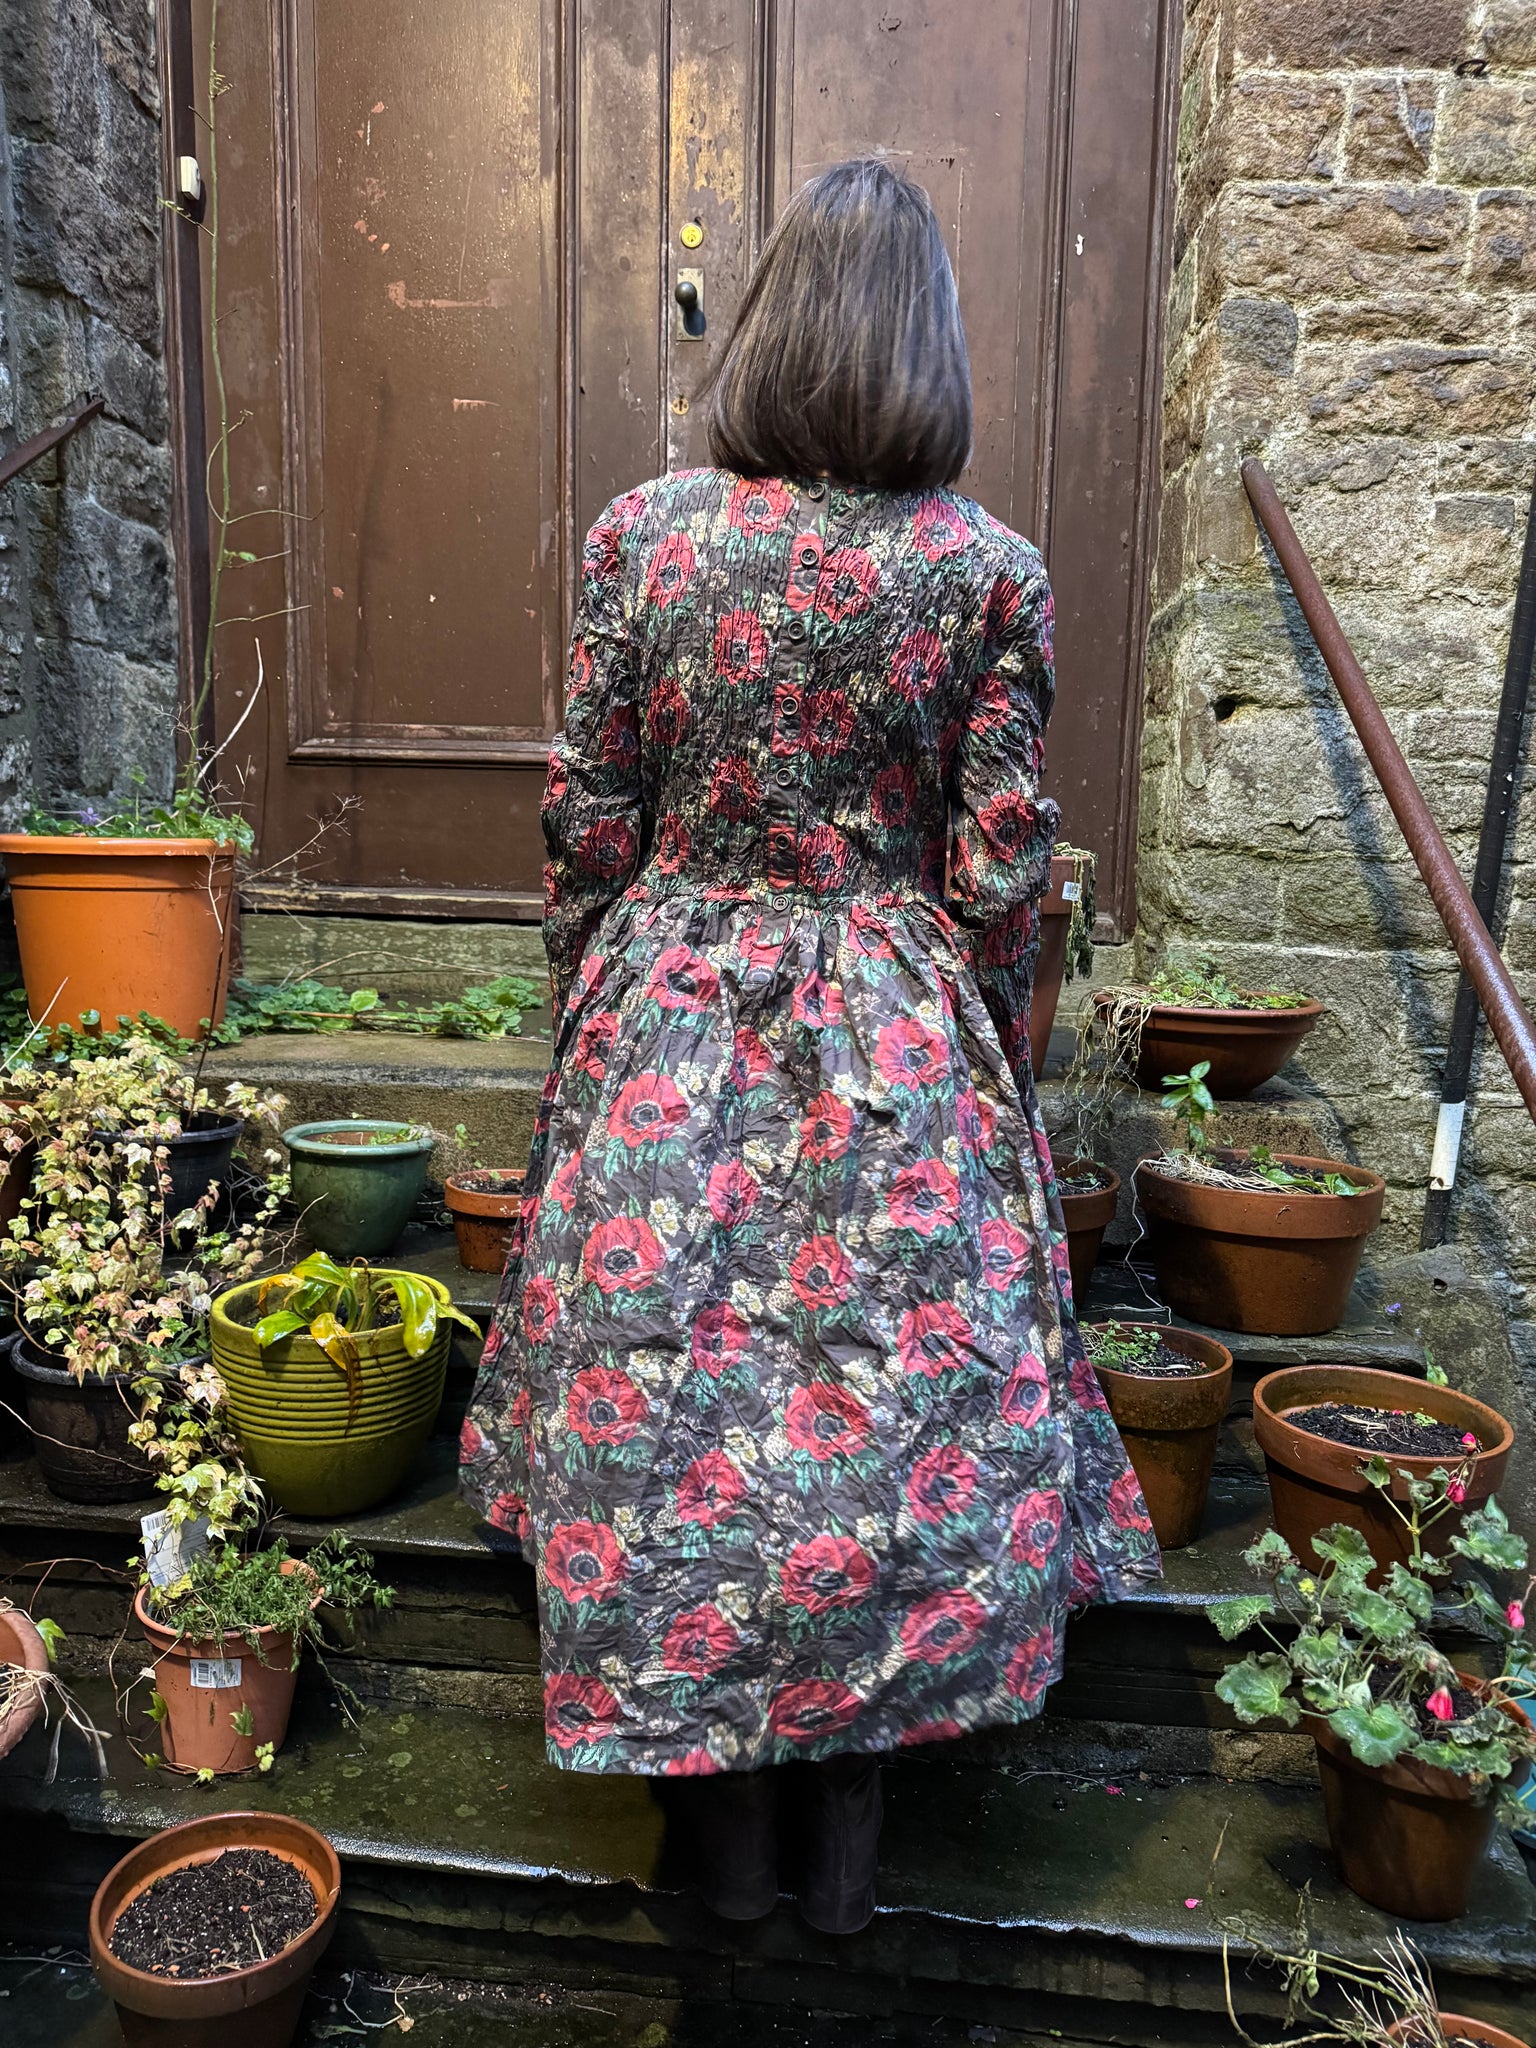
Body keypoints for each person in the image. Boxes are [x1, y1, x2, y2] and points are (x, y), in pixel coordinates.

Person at [460, 155, 1160, 1936]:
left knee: (673, 1400)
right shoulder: (990, 572)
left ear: (766, 324)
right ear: (933, 344)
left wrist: (589, 1014)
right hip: (896, 1033)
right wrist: (987, 1058)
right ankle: (847, 1845)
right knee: (885, 1407)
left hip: (674, 1018)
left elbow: (589, 822)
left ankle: (717, 1846)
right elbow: (1002, 869)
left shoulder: (645, 537)